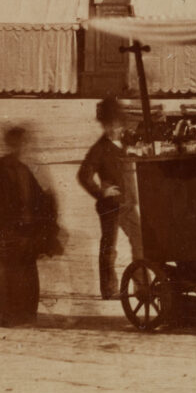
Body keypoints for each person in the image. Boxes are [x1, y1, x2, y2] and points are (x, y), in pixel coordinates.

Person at [0, 123, 61, 328]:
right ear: (9, 145)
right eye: (17, 145)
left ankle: (29, 315)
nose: (21, 148)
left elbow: (40, 198)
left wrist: (48, 221)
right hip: (7, 231)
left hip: (28, 230)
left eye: (23, 145)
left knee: (29, 270)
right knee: (8, 271)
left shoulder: (25, 169)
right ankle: (7, 315)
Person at [75, 98, 133, 301]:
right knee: (109, 247)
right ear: (104, 124)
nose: (114, 128)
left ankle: (141, 284)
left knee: (140, 243)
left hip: (130, 204)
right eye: (109, 124)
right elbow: (83, 175)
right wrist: (101, 192)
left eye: (117, 123)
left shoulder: (128, 143)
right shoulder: (99, 149)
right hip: (111, 205)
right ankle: (109, 289)